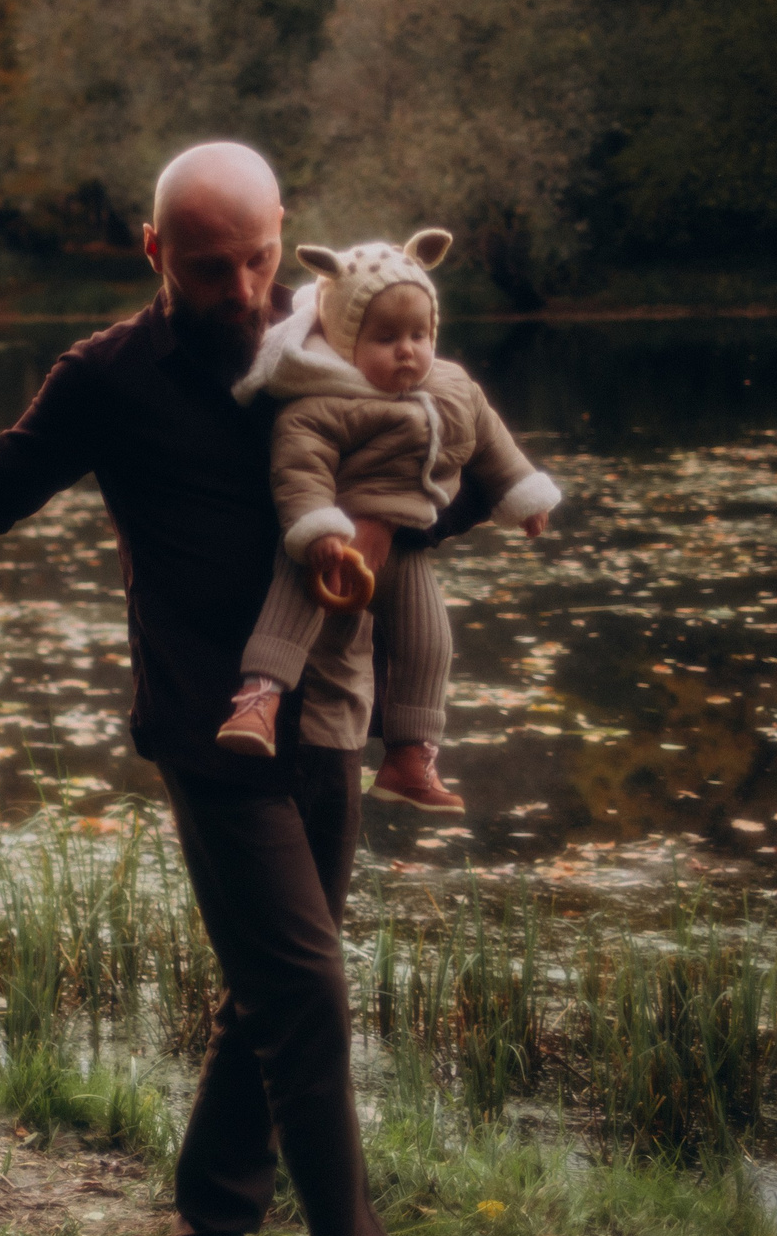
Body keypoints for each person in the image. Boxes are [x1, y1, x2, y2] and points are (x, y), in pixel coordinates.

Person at [0, 145, 472, 1236]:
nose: (243, 286)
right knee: (309, 987)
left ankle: (210, 1235)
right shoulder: (105, 378)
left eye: (261, 258)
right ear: (154, 254)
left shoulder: (334, 339)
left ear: (286, 235)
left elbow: (442, 475)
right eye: (211, 267)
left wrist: (419, 491)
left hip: (331, 707)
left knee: (271, 985)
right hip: (208, 727)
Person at [213, 231, 559, 812]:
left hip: (408, 546)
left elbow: (492, 445)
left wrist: (523, 494)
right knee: (293, 602)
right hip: (336, 539)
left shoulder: (453, 387)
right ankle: (259, 699)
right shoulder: (320, 401)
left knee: (430, 642)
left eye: (419, 335)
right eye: (386, 338)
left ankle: (410, 754)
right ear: (347, 341)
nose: (407, 351)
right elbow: (299, 471)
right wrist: (320, 530)